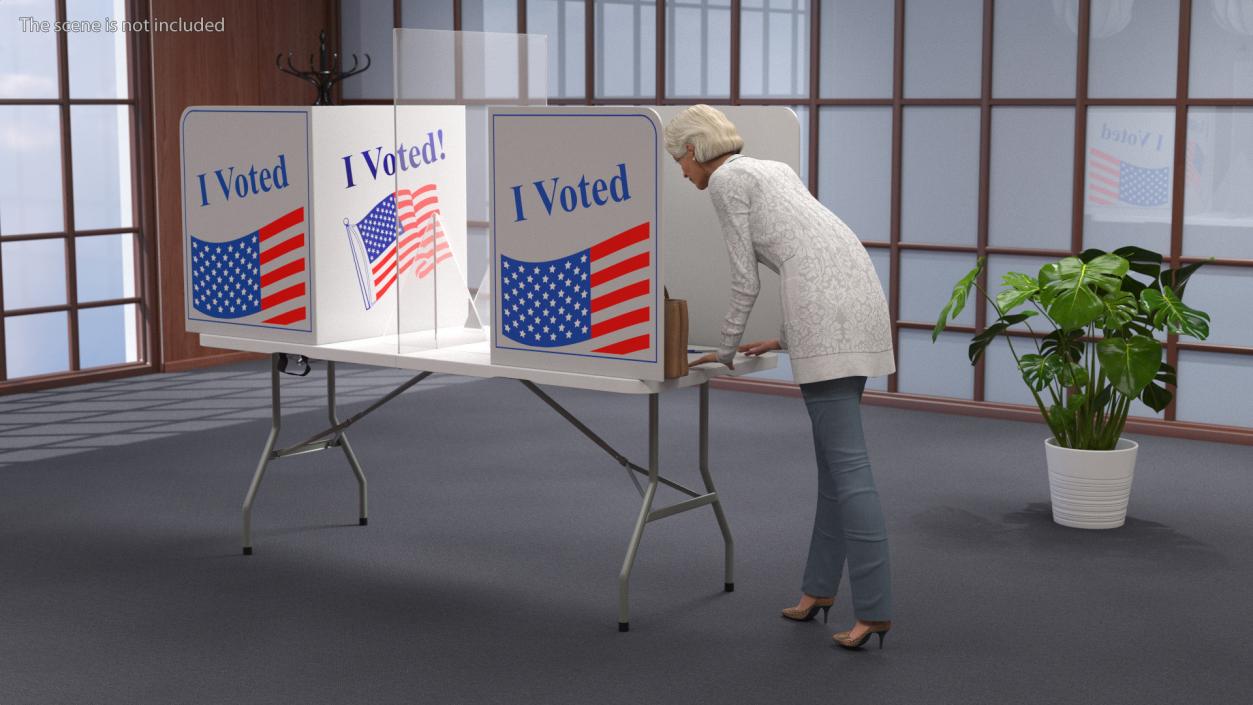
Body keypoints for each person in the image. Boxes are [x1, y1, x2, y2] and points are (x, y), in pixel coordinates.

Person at [666, 105, 896, 650]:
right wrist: (787, 339)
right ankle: (819, 589)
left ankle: (877, 609)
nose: (682, 173)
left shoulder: (725, 181)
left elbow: (746, 279)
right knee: (835, 466)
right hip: (859, 294)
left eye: (680, 160)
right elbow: (814, 249)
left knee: (849, 467)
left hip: (822, 309)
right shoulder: (772, 170)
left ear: (697, 151)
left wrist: (721, 350)